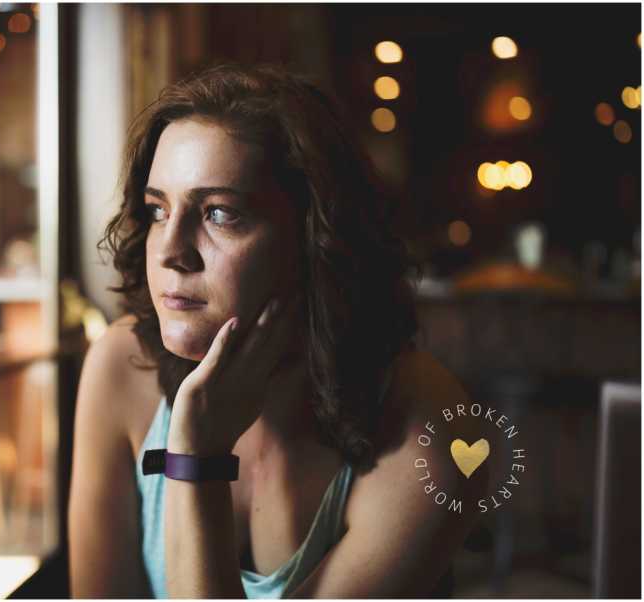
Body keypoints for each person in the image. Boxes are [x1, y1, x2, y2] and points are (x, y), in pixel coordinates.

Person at [67, 63, 488, 598]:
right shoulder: (121, 367)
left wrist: (198, 457)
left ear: (315, 236)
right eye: (156, 210)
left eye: (219, 213)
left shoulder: (432, 431)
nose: (170, 251)